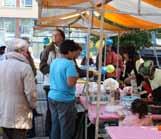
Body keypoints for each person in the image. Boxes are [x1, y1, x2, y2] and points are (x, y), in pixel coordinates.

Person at [0, 38, 37, 139]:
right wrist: (33, 105)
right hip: (20, 113)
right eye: (26, 50)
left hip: (3, 111)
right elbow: (31, 93)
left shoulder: (1, 64)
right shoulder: (25, 67)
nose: (27, 53)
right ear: (20, 51)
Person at [48, 40, 79, 139]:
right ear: (69, 51)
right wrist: (76, 77)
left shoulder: (55, 61)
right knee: (66, 128)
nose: (75, 54)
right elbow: (70, 83)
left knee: (55, 125)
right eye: (74, 52)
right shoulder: (69, 63)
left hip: (52, 96)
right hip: (64, 99)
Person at [39, 29, 65, 136]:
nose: (54, 37)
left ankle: (56, 133)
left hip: (62, 85)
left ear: (62, 37)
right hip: (50, 84)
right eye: (53, 35)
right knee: (51, 110)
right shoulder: (49, 49)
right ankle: (49, 133)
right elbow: (42, 67)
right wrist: (55, 71)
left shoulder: (65, 49)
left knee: (58, 111)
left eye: (56, 35)